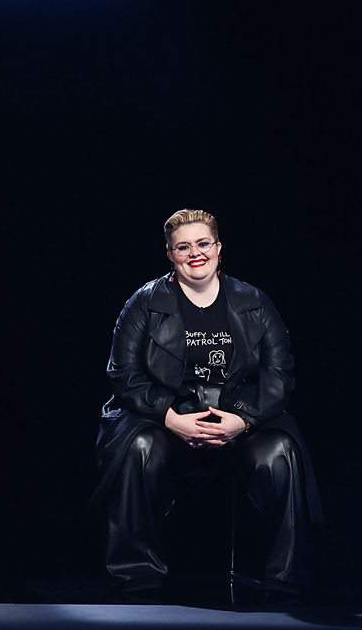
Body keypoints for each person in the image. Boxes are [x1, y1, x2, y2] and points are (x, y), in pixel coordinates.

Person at [95, 209, 321, 593]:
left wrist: (243, 419)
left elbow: (279, 375)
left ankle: (285, 577)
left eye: (203, 244)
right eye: (183, 247)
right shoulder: (143, 303)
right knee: (140, 446)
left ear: (218, 248)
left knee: (280, 451)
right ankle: (136, 573)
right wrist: (170, 417)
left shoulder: (254, 301)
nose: (194, 253)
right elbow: (123, 374)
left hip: (238, 420)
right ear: (170, 254)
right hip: (166, 419)